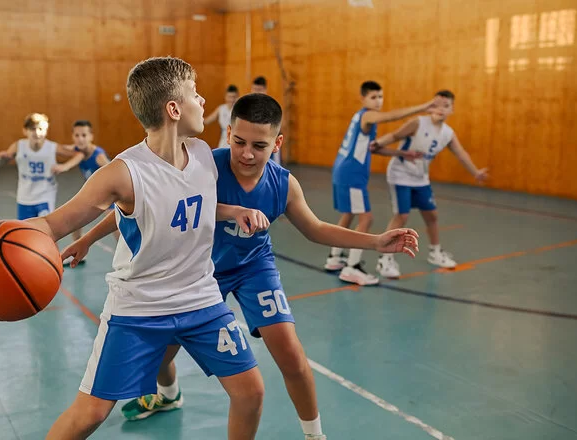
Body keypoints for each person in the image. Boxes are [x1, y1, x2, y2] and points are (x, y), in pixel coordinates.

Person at [0, 56, 270, 440]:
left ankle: (168, 394)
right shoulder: (123, 173)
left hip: (200, 299)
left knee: (251, 392)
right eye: (195, 94)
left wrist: (234, 210)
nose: (203, 101)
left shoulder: (201, 154)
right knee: (91, 414)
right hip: (139, 307)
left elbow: (188, 202)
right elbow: (51, 223)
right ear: (174, 108)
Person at [62, 93, 420, 440]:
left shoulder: (283, 184)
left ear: (277, 143)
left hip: (253, 268)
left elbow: (315, 229)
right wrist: (88, 238)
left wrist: (374, 242)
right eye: (240, 141)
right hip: (199, 273)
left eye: (259, 146)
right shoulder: (202, 165)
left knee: (292, 356)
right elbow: (141, 202)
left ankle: (314, 434)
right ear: (229, 134)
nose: (247, 154)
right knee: (162, 351)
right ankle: (168, 395)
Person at [325, 81, 438, 286]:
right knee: (366, 219)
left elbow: (373, 148)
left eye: (380, 97)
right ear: (363, 99)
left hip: (343, 170)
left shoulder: (363, 118)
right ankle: (352, 267)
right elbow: (390, 116)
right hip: (352, 173)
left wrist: (402, 153)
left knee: (349, 214)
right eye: (373, 97)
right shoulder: (368, 115)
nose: (378, 101)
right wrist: (423, 107)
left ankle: (334, 258)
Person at [371, 90, 489, 278]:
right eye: (437, 104)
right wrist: (376, 143)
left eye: (446, 105)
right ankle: (385, 259)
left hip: (420, 178)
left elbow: (461, 153)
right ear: (430, 106)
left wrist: (475, 172)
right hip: (400, 174)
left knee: (432, 215)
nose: (440, 109)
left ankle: (435, 253)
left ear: (452, 109)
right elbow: (394, 136)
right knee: (401, 216)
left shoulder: (448, 133)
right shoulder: (418, 123)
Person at [0, 113, 84, 220]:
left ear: (46, 130)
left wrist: (65, 166)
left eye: (41, 129)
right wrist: (1, 158)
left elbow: (79, 154)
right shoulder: (19, 146)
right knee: (25, 230)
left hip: (45, 196)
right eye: (33, 129)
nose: (37, 133)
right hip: (24, 197)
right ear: (25, 130)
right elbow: (2, 162)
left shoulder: (51, 147)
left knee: (44, 227)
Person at [204, 85, 239, 149]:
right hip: (223, 140)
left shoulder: (239, 110)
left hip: (236, 140)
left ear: (237, 97)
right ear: (225, 97)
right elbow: (207, 121)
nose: (231, 99)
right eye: (229, 97)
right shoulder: (221, 108)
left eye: (234, 97)